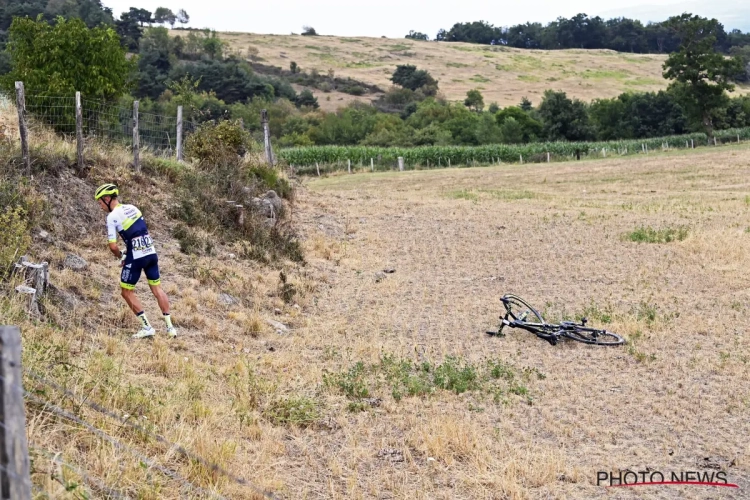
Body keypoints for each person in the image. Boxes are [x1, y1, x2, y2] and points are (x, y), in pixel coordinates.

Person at [94, 183, 177, 339]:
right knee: (157, 289)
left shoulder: (111, 217)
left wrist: (122, 256)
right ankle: (170, 327)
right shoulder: (133, 208)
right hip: (151, 252)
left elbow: (112, 246)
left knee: (126, 292)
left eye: (100, 202)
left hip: (136, 256)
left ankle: (147, 327)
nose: (100, 207)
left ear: (106, 199)